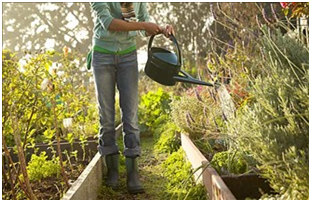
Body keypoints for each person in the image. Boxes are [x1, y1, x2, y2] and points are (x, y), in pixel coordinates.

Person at [90, 2, 174, 194]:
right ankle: (112, 170)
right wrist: (143, 26)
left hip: (128, 56)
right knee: (107, 116)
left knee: (131, 115)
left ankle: (132, 172)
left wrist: (161, 29)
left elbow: (145, 25)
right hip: (102, 56)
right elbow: (108, 23)